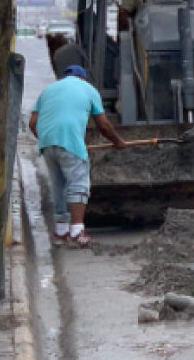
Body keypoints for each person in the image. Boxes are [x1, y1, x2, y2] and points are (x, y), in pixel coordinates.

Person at [29, 65, 128, 248]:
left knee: (59, 186)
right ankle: (76, 231)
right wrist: (118, 141)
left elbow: (33, 122)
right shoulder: (89, 89)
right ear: (82, 77)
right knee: (78, 184)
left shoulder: (49, 90)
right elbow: (104, 125)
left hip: (47, 143)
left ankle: (61, 231)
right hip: (70, 141)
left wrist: (47, 139)